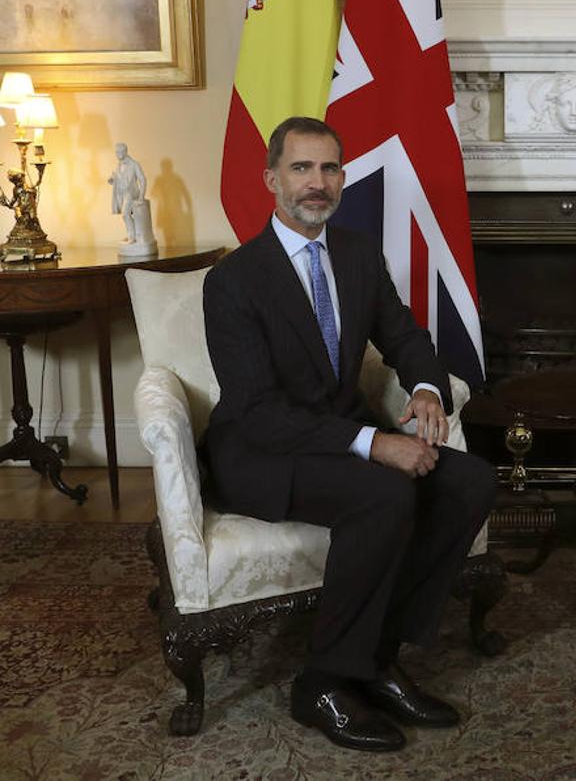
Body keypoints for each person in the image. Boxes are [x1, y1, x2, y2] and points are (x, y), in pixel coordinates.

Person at [202, 116, 497, 753]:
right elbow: (257, 412)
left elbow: (406, 337)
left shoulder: (359, 254)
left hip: (337, 434)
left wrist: (424, 389)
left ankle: (378, 660)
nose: (318, 183)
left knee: (470, 479)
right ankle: (323, 683)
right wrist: (375, 444)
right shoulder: (232, 280)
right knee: (385, 492)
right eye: (302, 168)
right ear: (272, 179)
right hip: (260, 452)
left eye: (330, 168)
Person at [108, 143, 147, 242]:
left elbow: (142, 179)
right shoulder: (119, 165)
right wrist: (112, 179)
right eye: (116, 152)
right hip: (121, 194)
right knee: (126, 214)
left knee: (125, 214)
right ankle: (133, 233)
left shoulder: (134, 164)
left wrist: (141, 196)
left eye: (120, 152)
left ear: (125, 151)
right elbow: (118, 176)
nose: (118, 154)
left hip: (131, 193)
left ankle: (132, 236)